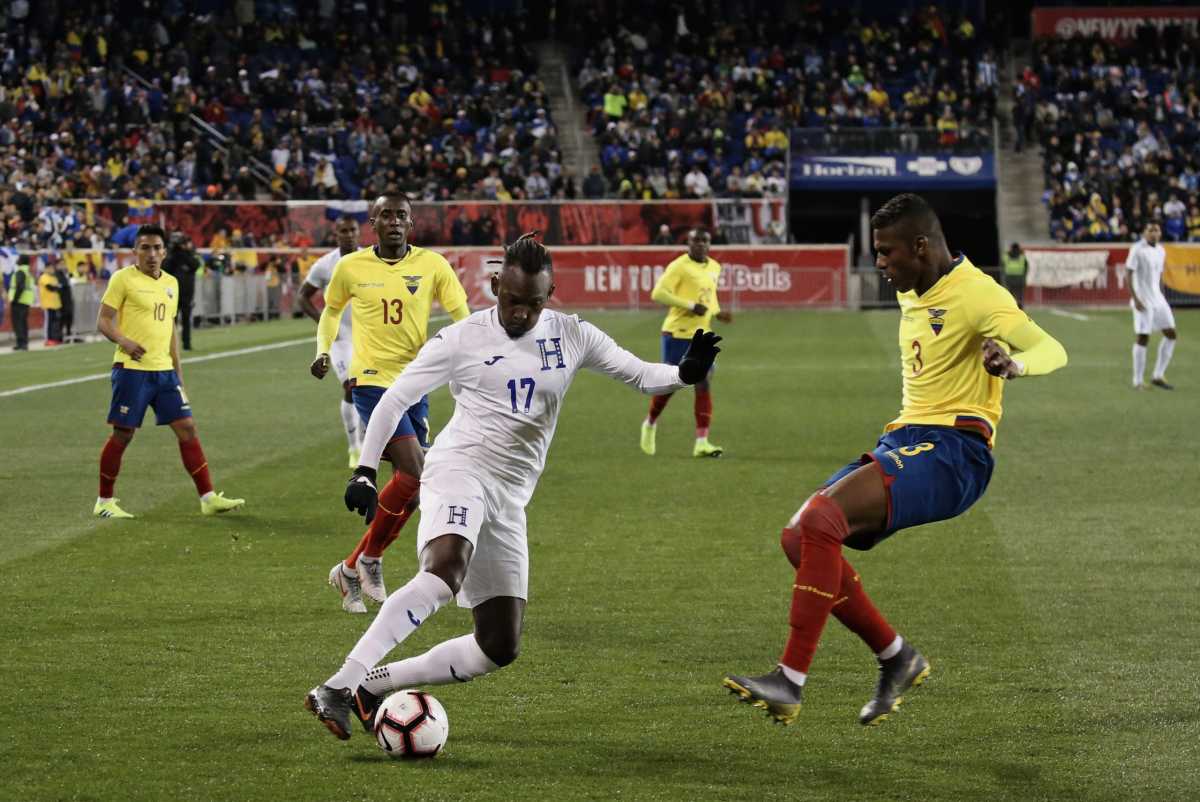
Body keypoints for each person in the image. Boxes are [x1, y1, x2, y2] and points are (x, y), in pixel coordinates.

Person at [303, 233, 723, 740]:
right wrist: (365, 471)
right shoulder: (463, 337)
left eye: (533, 303)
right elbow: (394, 399)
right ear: (497, 284)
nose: (521, 313)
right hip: (458, 469)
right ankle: (338, 685)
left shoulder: (572, 335)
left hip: (509, 496)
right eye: (512, 300)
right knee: (444, 571)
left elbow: (639, 374)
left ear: (551, 294)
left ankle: (374, 685)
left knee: (499, 645)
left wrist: (683, 372)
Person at [723, 194, 1067, 727]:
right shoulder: (920, 287)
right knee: (799, 538)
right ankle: (896, 657)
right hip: (906, 440)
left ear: (921, 247)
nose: (878, 263)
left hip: (956, 451)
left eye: (886, 253)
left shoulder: (978, 294)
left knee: (820, 520)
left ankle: (789, 681)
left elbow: (1052, 349)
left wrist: (1015, 363)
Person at [311, 194, 470, 613]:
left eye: (402, 215)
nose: (395, 222)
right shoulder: (351, 267)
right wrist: (323, 349)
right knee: (416, 469)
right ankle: (370, 560)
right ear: (374, 222)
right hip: (370, 381)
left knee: (413, 490)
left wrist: (475, 353)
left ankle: (350, 569)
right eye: (387, 215)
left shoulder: (433, 265)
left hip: (416, 382)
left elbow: (461, 313)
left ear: (411, 223)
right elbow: (329, 312)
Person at [93, 224, 245, 519]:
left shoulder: (171, 283)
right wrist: (124, 341)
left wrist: (178, 374)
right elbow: (104, 321)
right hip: (132, 370)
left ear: (164, 251)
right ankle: (104, 501)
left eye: (156, 248)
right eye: (144, 248)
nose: (151, 254)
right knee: (123, 434)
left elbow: (170, 331)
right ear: (135, 251)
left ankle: (208, 497)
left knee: (187, 427)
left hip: (164, 372)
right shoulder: (122, 279)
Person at [640, 228, 732, 458]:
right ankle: (650, 424)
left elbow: (710, 297)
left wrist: (717, 312)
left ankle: (702, 442)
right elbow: (658, 293)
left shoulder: (714, 266)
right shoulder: (679, 266)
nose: (700, 244)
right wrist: (690, 306)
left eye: (704, 240)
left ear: (710, 244)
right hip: (677, 333)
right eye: (695, 241)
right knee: (672, 384)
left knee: (703, 382)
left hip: (702, 334)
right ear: (688, 244)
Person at [299, 216, 364, 468]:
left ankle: (370, 442)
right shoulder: (325, 265)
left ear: (359, 233)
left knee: (373, 388)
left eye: (352, 230)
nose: (348, 235)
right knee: (351, 386)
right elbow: (302, 297)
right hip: (341, 339)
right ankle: (354, 447)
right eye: (343, 231)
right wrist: (323, 323)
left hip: (369, 336)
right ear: (335, 235)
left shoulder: (370, 259)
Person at [1125, 222, 1177, 390]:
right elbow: (1128, 273)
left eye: (1156, 230)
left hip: (1158, 298)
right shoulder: (1137, 249)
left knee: (1171, 334)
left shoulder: (1161, 250)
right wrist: (1135, 298)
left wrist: (1162, 296)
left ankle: (1158, 375)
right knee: (1143, 337)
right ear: (1144, 233)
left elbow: (1159, 275)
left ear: (1160, 233)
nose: (1154, 233)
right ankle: (1138, 381)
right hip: (1143, 299)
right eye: (1150, 230)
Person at [162, 232, 201, 350]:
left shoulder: (188, 255)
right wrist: (174, 254)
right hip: (171, 293)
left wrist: (184, 253)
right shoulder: (169, 256)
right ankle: (169, 345)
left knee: (186, 319)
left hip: (186, 293)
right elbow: (165, 269)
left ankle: (187, 343)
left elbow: (195, 265)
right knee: (170, 321)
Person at [8, 256, 32, 350]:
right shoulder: (27, 272)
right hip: (26, 300)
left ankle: (21, 343)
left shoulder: (20, 272)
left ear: (21, 261)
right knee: (23, 323)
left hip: (19, 301)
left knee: (18, 323)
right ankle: (23, 342)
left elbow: (19, 287)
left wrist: (15, 299)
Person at [38, 262, 63, 346]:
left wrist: (56, 287)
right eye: (50, 268)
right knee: (48, 322)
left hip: (55, 304)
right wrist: (56, 287)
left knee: (54, 322)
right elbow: (50, 287)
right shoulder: (44, 277)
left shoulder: (53, 278)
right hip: (47, 304)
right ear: (46, 268)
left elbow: (58, 288)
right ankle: (47, 339)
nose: (52, 270)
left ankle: (54, 338)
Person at [54, 261, 75, 343]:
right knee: (61, 319)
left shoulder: (65, 274)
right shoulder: (56, 275)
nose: (63, 266)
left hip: (68, 300)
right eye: (61, 264)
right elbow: (62, 285)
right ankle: (59, 337)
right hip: (61, 300)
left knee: (69, 318)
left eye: (64, 264)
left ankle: (68, 335)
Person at [1001, 242, 1027, 308]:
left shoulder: (1006, 255)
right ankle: (1020, 308)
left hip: (1009, 278)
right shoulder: (1022, 256)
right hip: (1019, 278)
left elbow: (1003, 265)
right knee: (1020, 295)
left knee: (1010, 294)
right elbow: (1026, 267)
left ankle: (1011, 307)